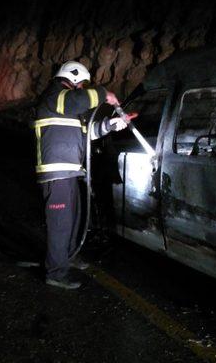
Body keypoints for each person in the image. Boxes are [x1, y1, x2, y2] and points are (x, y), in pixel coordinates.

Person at [34, 61, 129, 289]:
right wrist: (105, 93)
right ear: (73, 77)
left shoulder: (69, 106)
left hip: (71, 172)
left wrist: (111, 125)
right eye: (83, 83)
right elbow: (78, 100)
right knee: (61, 224)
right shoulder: (55, 96)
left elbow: (87, 134)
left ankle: (69, 255)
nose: (83, 87)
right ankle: (56, 272)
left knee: (74, 220)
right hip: (55, 174)